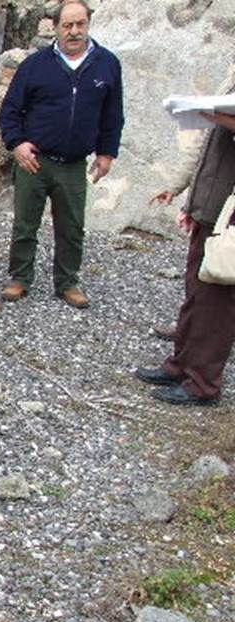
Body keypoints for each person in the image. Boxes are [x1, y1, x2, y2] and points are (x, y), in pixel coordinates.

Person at [0, 0, 124, 309]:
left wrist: (107, 153)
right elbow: (10, 110)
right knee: (25, 224)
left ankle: (67, 282)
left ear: (88, 24)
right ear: (55, 28)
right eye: (67, 26)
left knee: (71, 227)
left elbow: (113, 113)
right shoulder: (36, 65)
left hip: (73, 164)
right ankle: (20, 277)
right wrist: (17, 144)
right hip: (34, 160)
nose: (74, 31)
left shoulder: (107, 64)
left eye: (80, 24)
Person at [137, 71, 235, 406]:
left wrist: (226, 120)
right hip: (210, 207)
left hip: (229, 214)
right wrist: (184, 193)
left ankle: (203, 384)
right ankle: (181, 365)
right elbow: (207, 148)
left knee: (217, 303)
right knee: (196, 292)